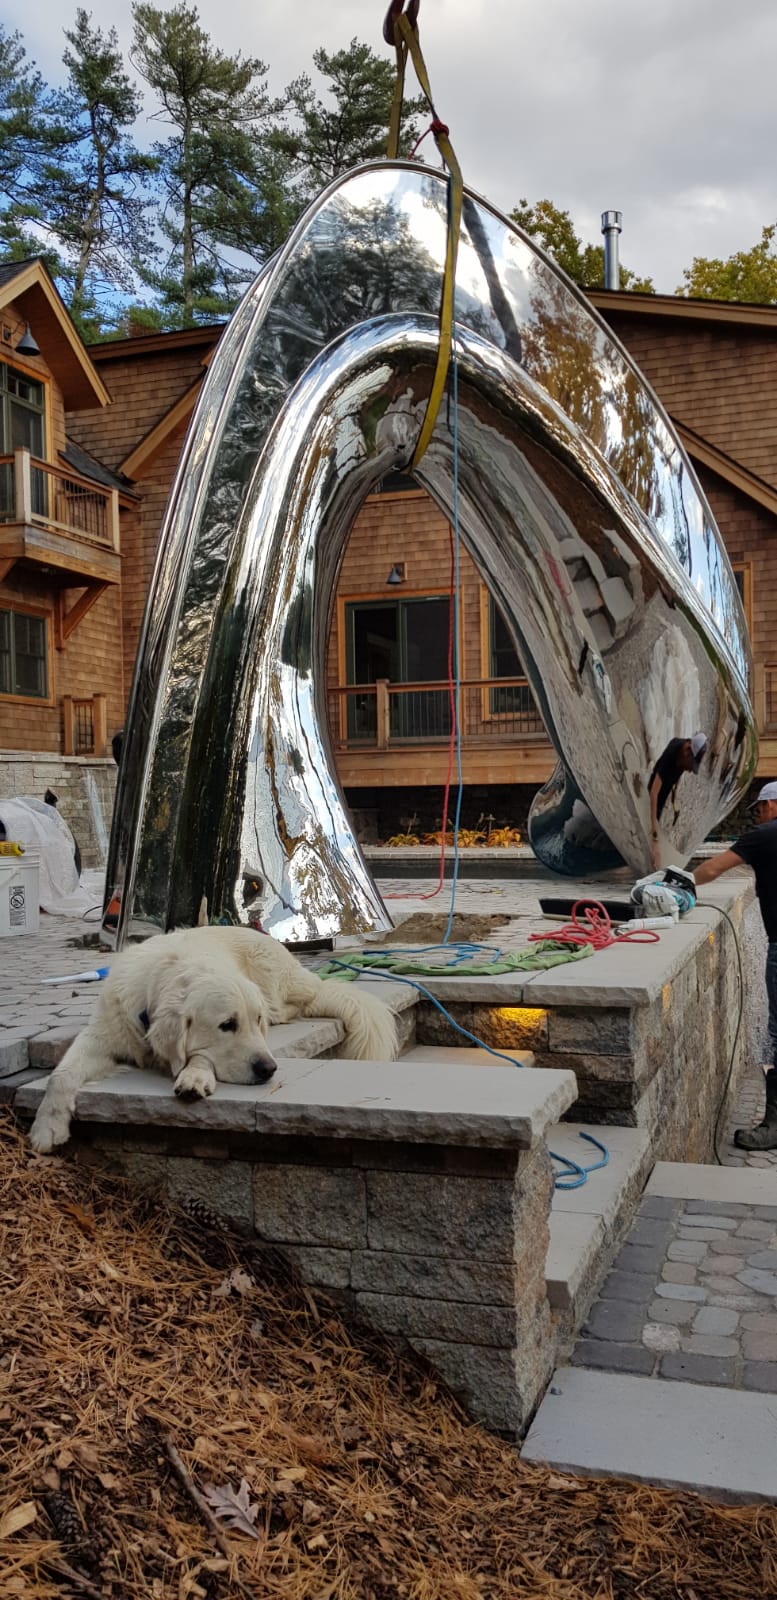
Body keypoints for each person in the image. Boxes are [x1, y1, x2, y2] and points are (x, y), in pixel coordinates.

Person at [694, 780, 777, 1150]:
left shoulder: (764, 836)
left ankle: (774, 1126)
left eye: (759, 809)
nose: (758, 816)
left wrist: (670, 882)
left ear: (771, 806)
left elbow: (711, 870)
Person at [649, 732, 707, 869]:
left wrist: (675, 796)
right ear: (687, 751)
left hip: (669, 783)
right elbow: (653, 793)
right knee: (654, 817)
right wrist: (655, 839)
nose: (690, 770)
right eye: (691, 764)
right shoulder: (671, 753)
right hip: (659, 786)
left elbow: (679, 774)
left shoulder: (683, 756)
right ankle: (653, 860)